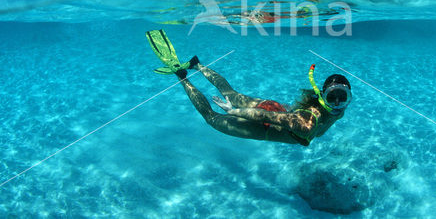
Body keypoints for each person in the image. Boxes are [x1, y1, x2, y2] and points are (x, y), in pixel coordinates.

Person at [146, 30, 351, 146]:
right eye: (333, 96)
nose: (337, 103)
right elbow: (265, 117)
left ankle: (197, 64)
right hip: (264, 123)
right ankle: (182, 77)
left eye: (343, 97)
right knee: (211, 117)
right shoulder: (307, 125)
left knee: (231, 94)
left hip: (277, 109)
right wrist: (234, 111)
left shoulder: (338, 112)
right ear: (322, 95)